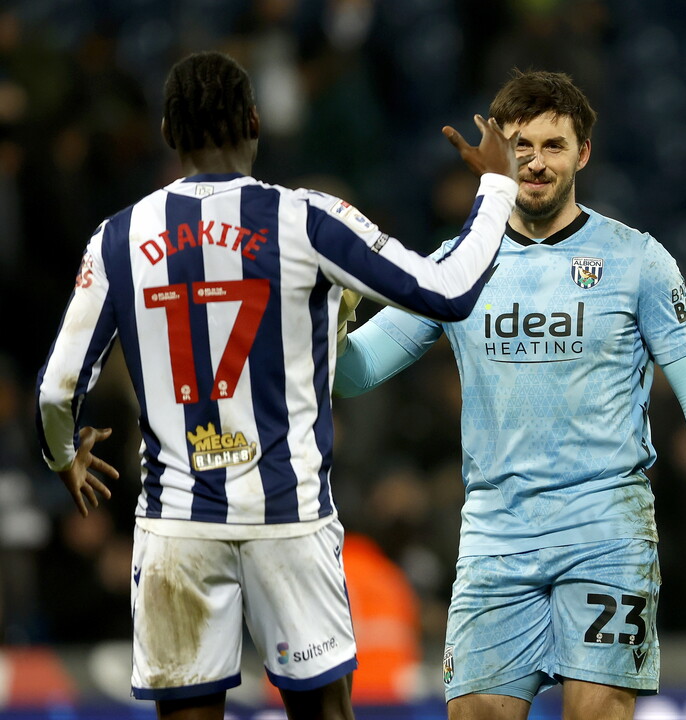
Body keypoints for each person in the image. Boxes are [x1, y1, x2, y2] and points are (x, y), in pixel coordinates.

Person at [35, 50, 528, 720]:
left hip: (177, 526)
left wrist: (65, 455)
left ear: (165, 131)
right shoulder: (305, 218)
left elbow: (56, 393)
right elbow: (448, 292)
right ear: (256, 121)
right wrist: (497, 188)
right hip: (287, 519)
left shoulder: (118, 239)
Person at [334, 69, 686, 720]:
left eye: (553, 145)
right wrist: (331, 322)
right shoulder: (458, 265)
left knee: (598, 712)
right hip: (494, 541)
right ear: (498, 157)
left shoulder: (638, 261)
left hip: (607, 535)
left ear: (583, 153)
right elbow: (353, 374)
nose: (534, 163)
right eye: (520, 147)